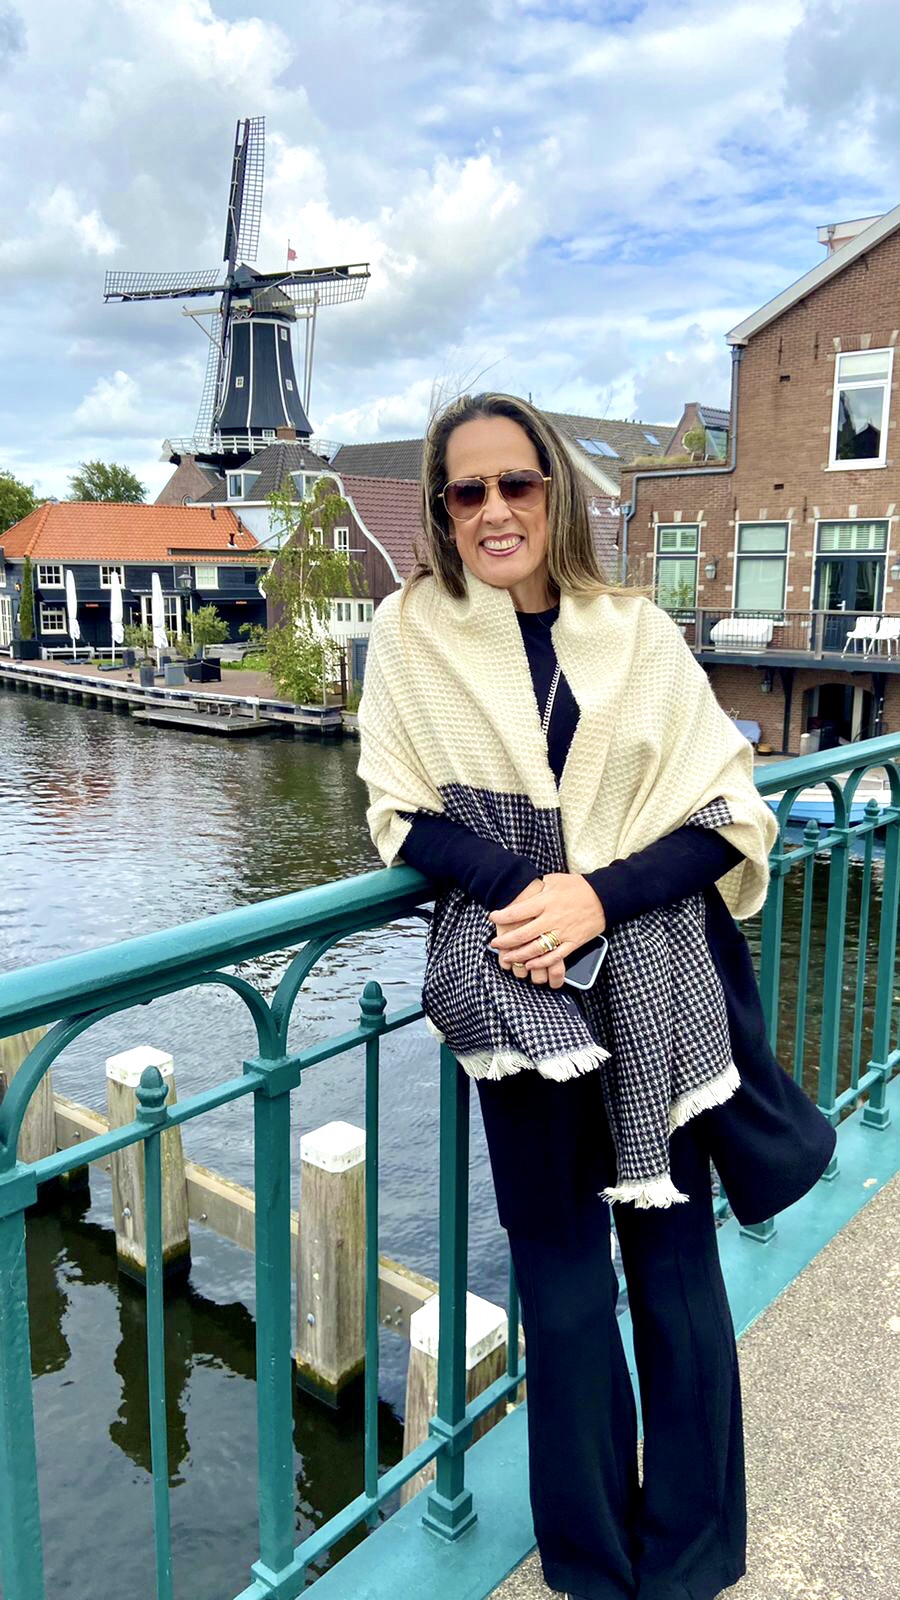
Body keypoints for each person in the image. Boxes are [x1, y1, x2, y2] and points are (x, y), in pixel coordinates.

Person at [357, 393, 835, 1600]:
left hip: (654, 972)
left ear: (554, 491)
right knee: (563, 1286)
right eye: (469, 491)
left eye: (517, 483)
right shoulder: (409, 631)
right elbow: (400, 809)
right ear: (442, 510)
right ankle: (587, 1559)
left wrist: (597, 897)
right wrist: (527, 892)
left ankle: (692, 1553)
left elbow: (727, 818)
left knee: (673, 1270)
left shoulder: (637, 632)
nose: (496, 510)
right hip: (516, 981)